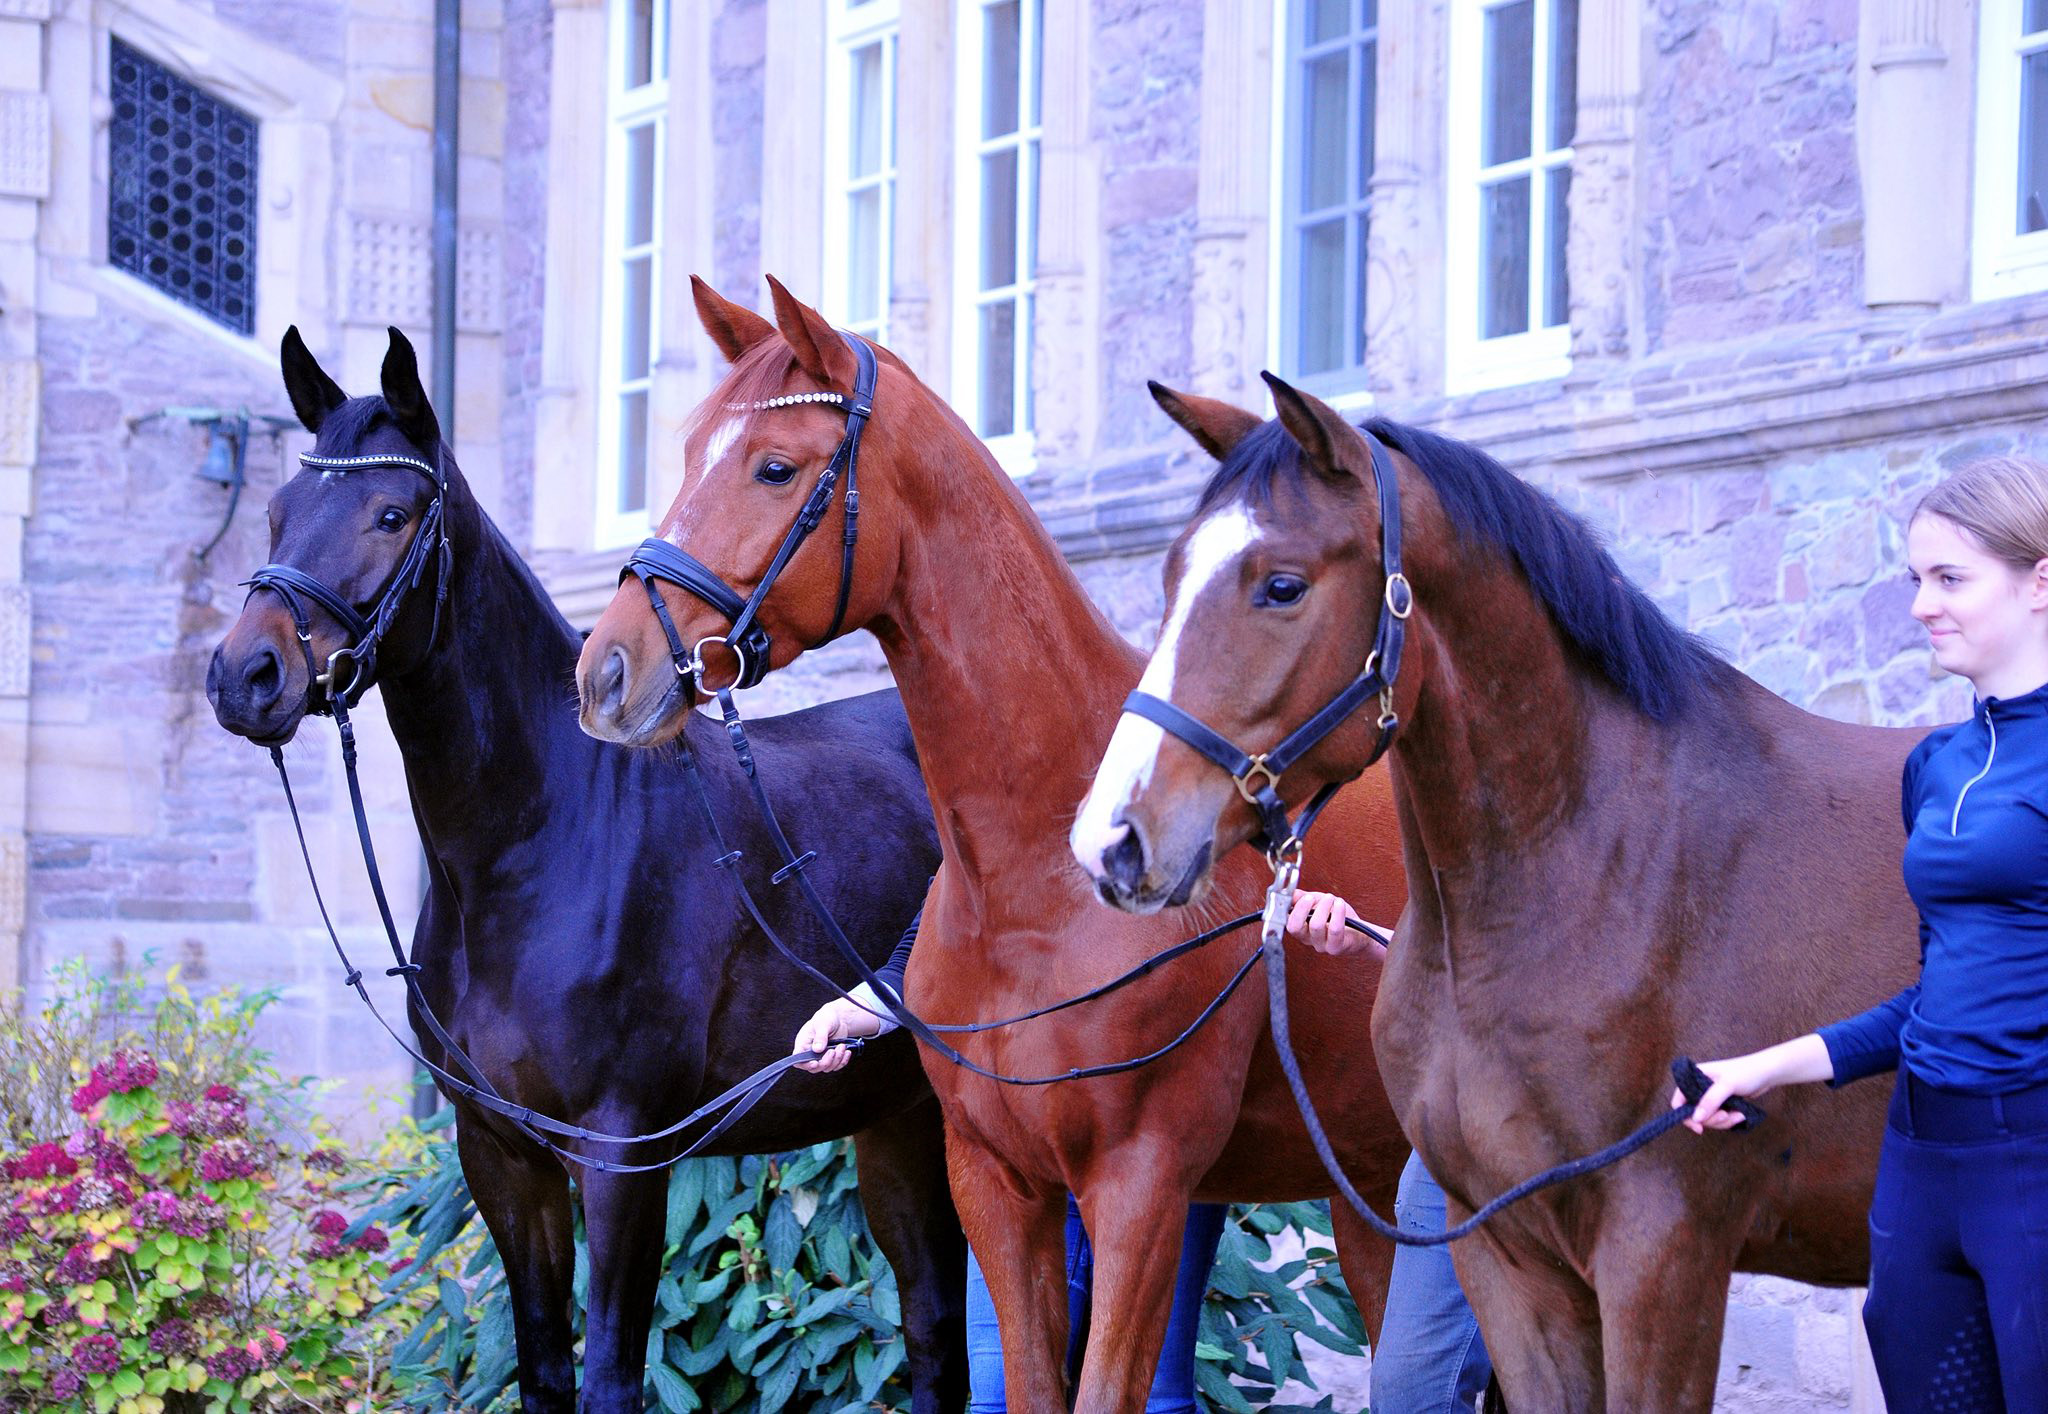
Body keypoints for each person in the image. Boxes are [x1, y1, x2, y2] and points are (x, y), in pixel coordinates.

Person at [792, 889, 1493, 1413]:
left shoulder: (1162, 790)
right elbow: (961, 908)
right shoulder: (1031, 795)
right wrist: (869, 1002)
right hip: (1035, 1131)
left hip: (1151, 1123)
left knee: (1153, 1394)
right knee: (998, 1393)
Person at [1678, 456, 2048, 1409]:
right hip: (1923, 1167)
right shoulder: (1938, 765)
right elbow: (1942, 992)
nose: (1923, 605)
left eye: (1950, 578)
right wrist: (1763, 1068)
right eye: (1915, 578)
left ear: (2041, 580)